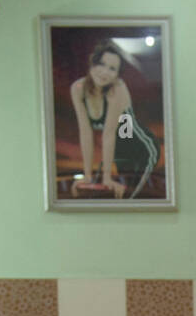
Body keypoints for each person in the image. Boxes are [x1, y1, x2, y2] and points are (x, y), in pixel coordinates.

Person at [69, 40, 161, 199]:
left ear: (117, 75)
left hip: (138, 148)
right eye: (102, 64)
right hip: (114, 150)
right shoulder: (78, 89)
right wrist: (87, 176)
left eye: (112, 69)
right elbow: (85, 131)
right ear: (92, 64)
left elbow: (110, 133)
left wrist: (106, 178)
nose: (105, 72)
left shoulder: (117, 89)